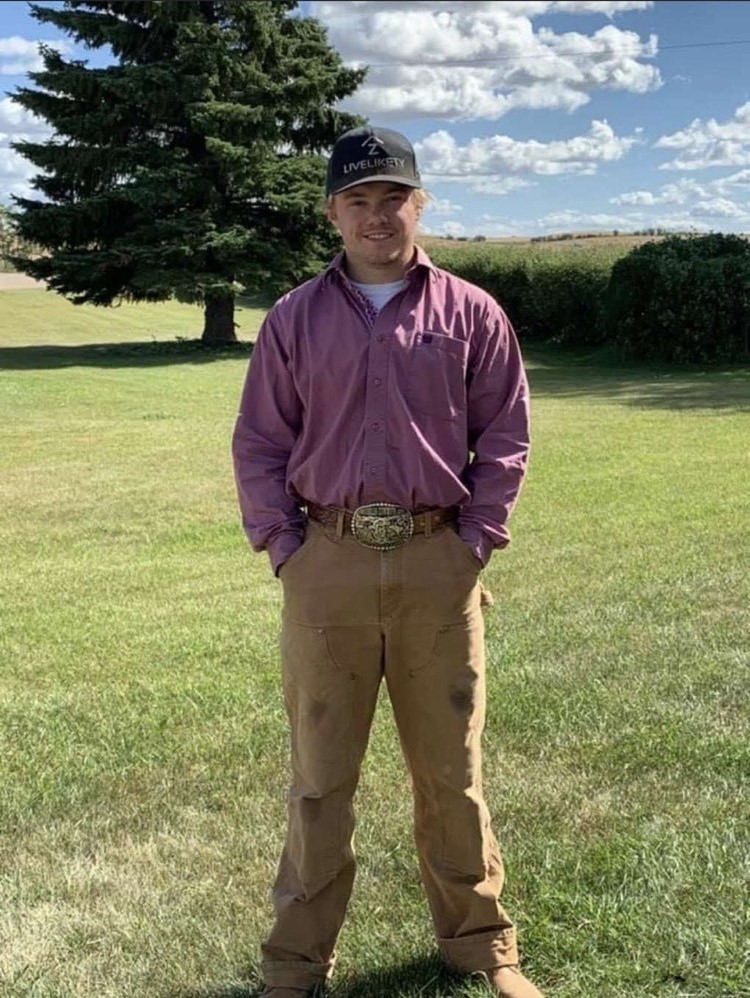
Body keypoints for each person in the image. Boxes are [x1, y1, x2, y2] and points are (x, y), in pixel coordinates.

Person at [232, 126, 542, 998]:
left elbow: (506, 435)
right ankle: (296, 963)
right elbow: (260, 441)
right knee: (319, 779)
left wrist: (474, 543)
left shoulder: (472, 314)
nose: (378, 215)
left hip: (438, 563)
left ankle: (482, 948)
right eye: (359, 200)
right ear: (333, 213)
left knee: (453, 774)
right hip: (324, 565)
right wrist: (285, 549)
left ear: (420, 205)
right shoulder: (293, 319)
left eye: (394, 198)